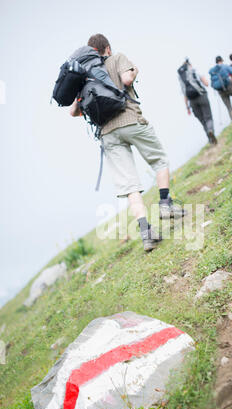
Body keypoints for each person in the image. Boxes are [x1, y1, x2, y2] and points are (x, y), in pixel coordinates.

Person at [70, 34, 186, 252]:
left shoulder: (83, 75)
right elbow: (126, 81)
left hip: (107, 133)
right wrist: (134, 69)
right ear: (108, 48)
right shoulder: (117, 58)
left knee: (130, 185)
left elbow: (74, 112)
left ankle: (146, 234)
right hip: (130, 119)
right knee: (159, 160)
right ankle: (165, 205)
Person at [178, 58, 217, 145]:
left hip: (192, 101)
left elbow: (184, 93)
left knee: (202, 120)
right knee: (208, 117)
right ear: (189, 65)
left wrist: (187, 107)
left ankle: (210, 140)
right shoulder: (194, 70)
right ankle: (211, 131)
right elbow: (206, 83)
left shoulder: (181, 77)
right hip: (202, 95)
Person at [209, 56, 232, 123]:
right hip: (228, 86)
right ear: (222, 60)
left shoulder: (213, 70)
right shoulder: (225, 66)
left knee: (229, 106)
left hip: (220, 90)